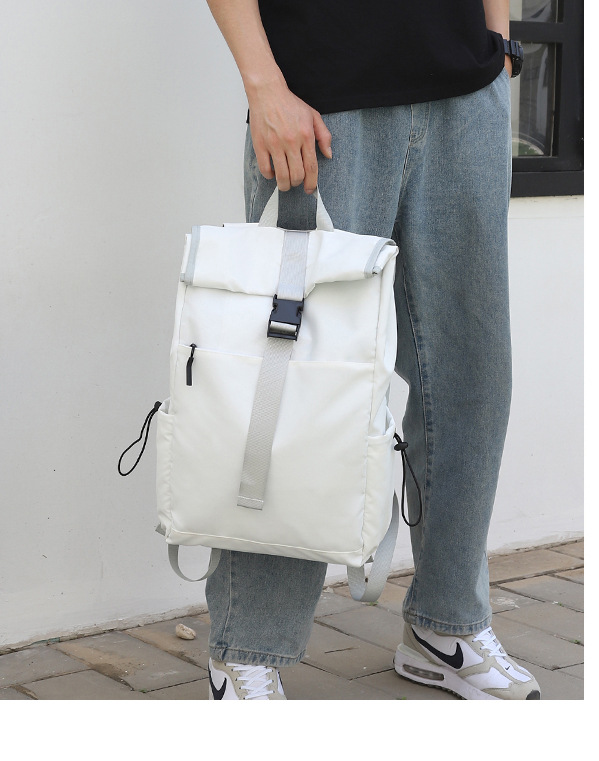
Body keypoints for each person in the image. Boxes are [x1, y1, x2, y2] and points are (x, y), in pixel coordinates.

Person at [202, 0, 540, 700]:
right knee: (293, 381)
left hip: (464, 93)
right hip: (320, 105)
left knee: (473, 376)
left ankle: (447, 624)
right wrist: (264, 86)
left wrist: (499, 43)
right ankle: (248, 646)